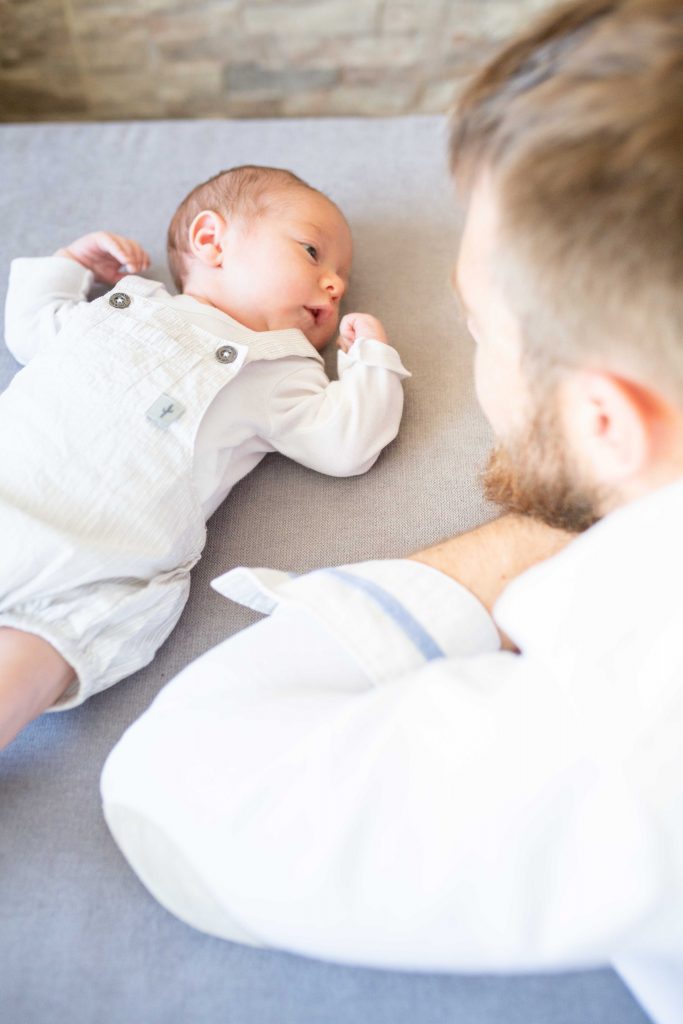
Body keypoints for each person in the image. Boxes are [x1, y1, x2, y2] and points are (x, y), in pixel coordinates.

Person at [101, 2, 683, 1022]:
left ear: (609, 419)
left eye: (475, 325)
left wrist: (556, 519)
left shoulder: (625, 731)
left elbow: (171, 797)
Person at [0, 165, 410, 749]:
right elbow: (30, 327)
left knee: (33, 658)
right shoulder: (125, 305)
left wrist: (371, 364)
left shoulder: (285, 371)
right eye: (313, 252)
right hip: (15, 484)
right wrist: (73, 263)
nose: (335, 285)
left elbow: (346, 445)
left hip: (107, 569)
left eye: (341, 276)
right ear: (212, 240)